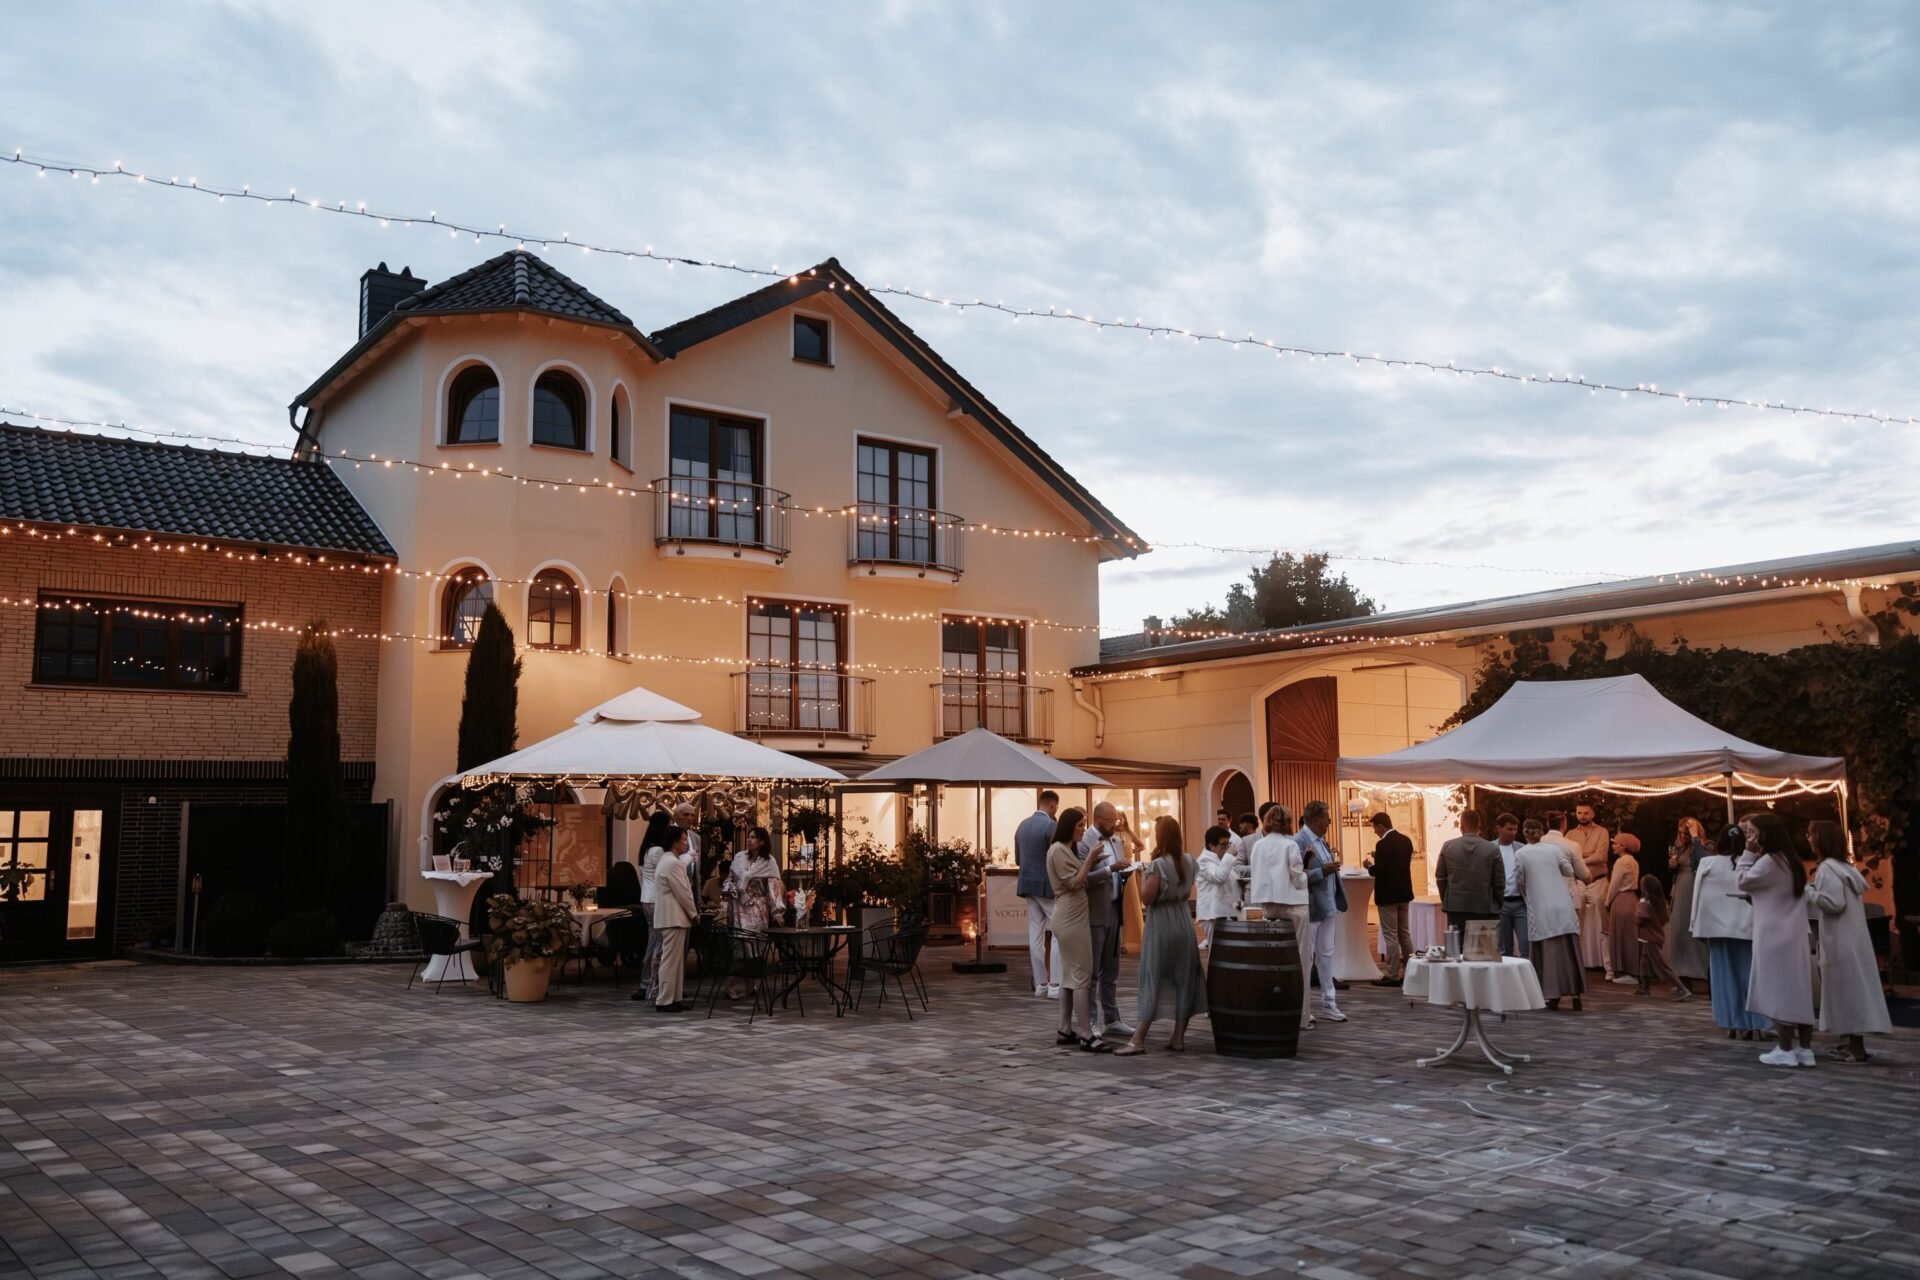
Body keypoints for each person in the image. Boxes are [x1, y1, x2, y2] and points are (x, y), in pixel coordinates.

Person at [1117, 817, 1208, 1055]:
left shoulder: (1158, 865)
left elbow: (1147, 898)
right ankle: (1178, 1037)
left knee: (1153, 976)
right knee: (1184, 977)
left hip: (1161, 923)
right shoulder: (1189, 861)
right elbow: (1187, 890)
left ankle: (1138, 1039)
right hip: (1183, 920)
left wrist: (1145, 876)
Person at [1807, 819, 1891, 1063]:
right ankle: (1849, 1041)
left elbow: (1834, 903)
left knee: (1845, 989)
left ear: (1821, 840)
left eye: (1811, 835)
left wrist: (1809, 892)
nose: (1808, 839)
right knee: (1851, 987)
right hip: (1852, 937)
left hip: (1838, 939)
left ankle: (1855, 1046)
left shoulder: (1826, 869)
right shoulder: (1846, 867)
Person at [1738, 811, 1816, 1068]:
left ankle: (1785, 1049)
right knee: (1799, 990)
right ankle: (1805, 1049)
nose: (1749, 838)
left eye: (1752, 833)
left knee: (1777, 989)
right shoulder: (1790, 860)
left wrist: (1747, 854)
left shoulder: (1768, 861)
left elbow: (1742, 881)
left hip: (1773, 934)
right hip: (1794, 933)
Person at [1691, 824, 1769, 1040]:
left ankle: (1732, 1022)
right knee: (1751, 977)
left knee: (1724, 979)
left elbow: (1697, 896)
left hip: (1716, 928)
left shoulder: (1708, 863)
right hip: (1749, 927)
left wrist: (1694, 925)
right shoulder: (1754, 864)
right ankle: (1756, 1023)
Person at [1045, 807, 1110, 1053]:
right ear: (1069, 827)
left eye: (1084, 825)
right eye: (1080, 825)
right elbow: (1074, 883)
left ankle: (1064, 1027)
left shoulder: (1063, 850)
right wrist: (1091, 858)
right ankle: (1085, 1032)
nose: (1084, 829)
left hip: (1072, 916)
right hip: (1070, 918)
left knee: (1069, 975)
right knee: (1082, 975)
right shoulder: (1059, 850)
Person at [1246, 804, 1314, 1030]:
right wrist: (1306, 874)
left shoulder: (1258, 845)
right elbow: (1296, 877)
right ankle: (1302, 1015)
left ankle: (1270, 1008)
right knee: (1301, 958)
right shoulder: (1290, 844)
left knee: (1270, 959)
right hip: (1293, 904)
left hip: (1267, 905)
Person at [1514, 818, 1589, 1010]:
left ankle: (1551, 993)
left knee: (1547, 951)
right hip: (1562, 904)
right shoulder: (1554, 850)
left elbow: (1519, 879)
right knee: (1569, 949)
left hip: (1540, 906)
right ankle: (1575, 993)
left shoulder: (1521, 854)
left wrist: (1527, 892)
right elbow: (1569, 870)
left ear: (1525, 833)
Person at [1078, 802, 1134, 1039]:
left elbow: (1117, 872)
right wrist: (1110, 869)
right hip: (1094, 910)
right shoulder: (1085, 842)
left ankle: (1112, 1018)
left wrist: (1125, 872)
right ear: (1099, 820)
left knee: (1112, 968)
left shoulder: (1115, 840)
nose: (1116, 824)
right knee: (1092, 969)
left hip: (1114, 906)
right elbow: (1082, 879)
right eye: (1112, 821)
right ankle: (1090, 1020)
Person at [1298, 800, 1348, 1021]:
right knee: (1307, 957)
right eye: (1327, 818)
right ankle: (1305, 1007)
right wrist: (1323, 872)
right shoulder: (1300, 841)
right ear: (1317, 819)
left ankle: (1329, 1003)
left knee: (1326, 956)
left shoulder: (1322, 840)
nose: (1329, 822)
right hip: (1311, 907)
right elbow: (1296, 876)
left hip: (1328, 906)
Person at [1014, 790, 1061, 997]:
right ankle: (1055, 985)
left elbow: (1017, 859)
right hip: (1047, 886)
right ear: (1052, 806)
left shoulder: (1022, 825)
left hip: (1027, 885)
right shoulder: (1050, 826)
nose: (1056, 811)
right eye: (1056, 808)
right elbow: (1057, 857)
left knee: (1035, 934)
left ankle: (1041, 984)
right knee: (1059, 932)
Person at [726, 827, 781, 999]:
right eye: (748, 837)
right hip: (738, 906)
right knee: (740, 944)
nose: (749, 840)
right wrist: (731, 888)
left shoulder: (768, 861)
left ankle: (749, 985)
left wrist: (777, 911)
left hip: (757, 908)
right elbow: (730, 878)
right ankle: (732, 985)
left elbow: (774, 886)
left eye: (753, 838)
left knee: (753, 945)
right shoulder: (739, 857)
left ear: (762, 842)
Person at [649, 825, 696, 1012]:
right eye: (683, 840)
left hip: (670, 917)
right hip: (673, 917)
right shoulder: (673, 863)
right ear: (674, 842)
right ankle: (665, 999)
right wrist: (693, 912)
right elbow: (683, 892)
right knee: (670, 960)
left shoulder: (667, 861)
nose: (686, 843)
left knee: (675, 961)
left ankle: (674, 997)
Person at [1366, 812, 1415, 986]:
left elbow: (1379, 871)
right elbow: (1397, 865)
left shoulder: (1382, 845)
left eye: (1374, 827)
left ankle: (1392, 973)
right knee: (1404, 933)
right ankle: (1410, 970)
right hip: (1404, 893)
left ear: (1381, 826)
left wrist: (1369, 865)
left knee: (1390, 934)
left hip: (1387, 895)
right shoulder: (1406, 841)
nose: (1374, 831)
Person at [1436, 811, 1502, 937]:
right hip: (1484, 906)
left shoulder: (1448, 846)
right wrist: (1497, 903)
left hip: (1456, 907)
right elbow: (1499, 881)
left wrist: (1446, 899)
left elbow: (1440, 877)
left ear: (1461, 826)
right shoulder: (1492, 849)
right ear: (1479, 826)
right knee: (1483, 950)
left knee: (1457, 949)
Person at [1666, 817, 1712, 982]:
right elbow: (1674, 872)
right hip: (1680, 889)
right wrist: (1673, 866)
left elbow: (1704, 863)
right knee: (1678, 929)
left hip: (1695, 888)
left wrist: (1695, 838)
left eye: (1686, 833)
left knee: (1694, 931)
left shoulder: (1705, 846)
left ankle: (1701, 971)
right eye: (1680, 833)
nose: (1683, 836)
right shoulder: (1678, 847)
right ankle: (1681, 972)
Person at [635, 810, 674, 1001]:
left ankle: (647, 982)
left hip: (646, 898)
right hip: (656, 899)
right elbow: (665, 873)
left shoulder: (646, 848)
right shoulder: (658, 851)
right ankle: (650, 983)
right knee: (657, 942)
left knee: (653, 939)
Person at [1568, 802, 1612, 965]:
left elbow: (1601, 856)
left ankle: (1610, 968)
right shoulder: (1570, 834)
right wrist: (1589, 856)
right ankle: (1576, 967)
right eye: (1579, 813)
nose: (1582, 816)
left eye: (1586, 813)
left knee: (1605, 926)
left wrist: (1579, 858)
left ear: (1592, 814)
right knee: (1576, 925)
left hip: (1598, 882)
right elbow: (1567, 857)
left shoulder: (1602, 832)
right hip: (1578, 882)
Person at [1634, 876, 1692, 999]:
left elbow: (1639, 919)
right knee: (1644, 963)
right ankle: (1644, 988)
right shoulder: (1659, 904)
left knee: (1662, 966)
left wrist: (1640, 904)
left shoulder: (1645, 904)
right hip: (1654, 938)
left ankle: (1682, 988)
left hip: (1650, 939)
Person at [1195, 825, 1240, 949]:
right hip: (1212, 914)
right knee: (1217, 952)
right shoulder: (1204, 861)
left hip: (1227, 912)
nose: (1226, 848)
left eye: (1228, 844)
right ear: (1211, 846)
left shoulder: (1221, 859)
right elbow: (1219, 877)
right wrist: (1229, 856)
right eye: (1223, 845)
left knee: (1229, 952)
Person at [1605, 833, 1642, 983]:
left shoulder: (1621, 862)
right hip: (1632, 898)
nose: (1613, 845)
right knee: (1630, 936)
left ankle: (1629, 972)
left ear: (1624, 846)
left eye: (1616, 843)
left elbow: (1614, 884)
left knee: (1623, 936)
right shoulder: (1633, 861)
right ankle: (1633, 971)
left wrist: (1607, 901)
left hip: (1621, 900)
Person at [1492, 813, 1529, 959]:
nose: (1513, 833)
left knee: (1526, 944)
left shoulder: (1522, 848)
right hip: (1501, 903)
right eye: (1509, 829)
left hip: (1520, 902)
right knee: (1504, 949)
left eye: (1515, 829)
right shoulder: (1490, 848)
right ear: (1499, 828)